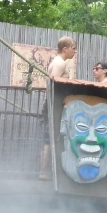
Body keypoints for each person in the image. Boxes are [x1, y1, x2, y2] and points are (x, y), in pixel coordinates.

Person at [40, 37, 78, 178]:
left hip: (53, 105)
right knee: (50, 139)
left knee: (51, 138)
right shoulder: (60, 63)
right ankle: (44, 172)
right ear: (65, 49)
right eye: (73, 48)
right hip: (52, 105)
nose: (75, 51)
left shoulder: (59, 62)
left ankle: (47, 172)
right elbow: (53, 87)